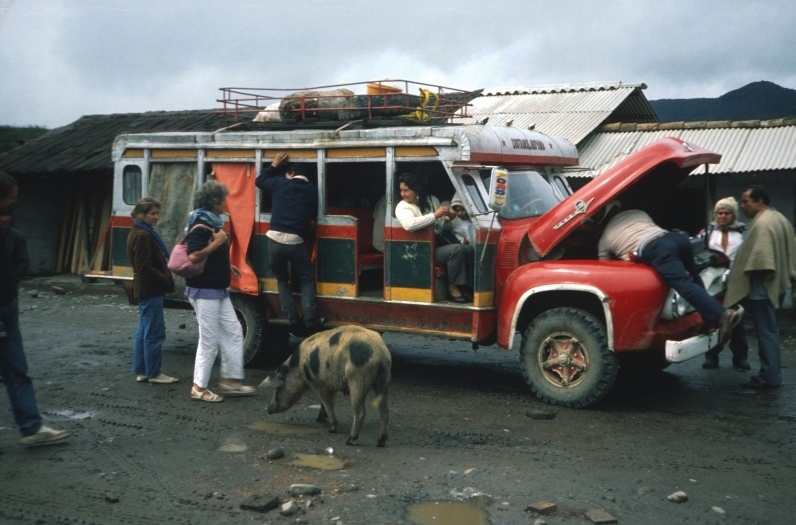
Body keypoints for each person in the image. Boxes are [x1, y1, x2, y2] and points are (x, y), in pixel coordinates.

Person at [598, 207, 738, 345]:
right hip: (675, 238)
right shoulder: (637, 212)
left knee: (685, 285)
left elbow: (606, 268)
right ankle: (709, 320)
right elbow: (650, 230)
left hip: (657, 249)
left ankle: (722, 314)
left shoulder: (604, 239)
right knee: (694, 279)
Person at [0, 171, 70, 446]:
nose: (16, 201)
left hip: (8, 307)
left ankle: (31, 427)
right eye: (12, 196)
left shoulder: (9, 232)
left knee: (17, 369)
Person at [185, 180, 256, 402]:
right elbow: (193, 255)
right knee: (209, 340)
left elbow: (209, 255)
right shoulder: (200, 225)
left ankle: (231, 380)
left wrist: (226, 265)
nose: (226, 203)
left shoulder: (212, 222)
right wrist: (218, 244)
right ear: (214, 202)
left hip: (217, 289)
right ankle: (199, 387)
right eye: (223, 199)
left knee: (234, 331)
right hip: (203, 290)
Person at [724, 185, 796, 390]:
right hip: (775, 286)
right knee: (769, 332)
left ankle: (770, 378)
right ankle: (769, 374)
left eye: (745, 201)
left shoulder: (763, 223)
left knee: (766, 333)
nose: (742, 205)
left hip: (763, 290)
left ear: (760, 201)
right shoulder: (778, 218)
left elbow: (761, 262)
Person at [255, 152, 324, 333]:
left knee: (282, 280)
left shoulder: (280, 183)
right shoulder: (312, 190)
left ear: (290, 173)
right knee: (307, 279)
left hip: (273, 239)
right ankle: (311, 320)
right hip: (295, 240)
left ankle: (292, 319)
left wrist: (274, 165)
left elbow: (260, 180)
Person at [394, 173, 473, 303]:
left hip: (437, 245)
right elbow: (409, 225)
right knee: (457, 250)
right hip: (419, 250)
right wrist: (434, 215)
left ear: (417, 190)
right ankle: (452, 286)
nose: (402, 194)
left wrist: (447, 220)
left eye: (406, 190)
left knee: (468, 249)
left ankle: (464, 286)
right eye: (401, 190)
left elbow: (440, 229)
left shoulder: (432, 200)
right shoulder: (403, 206)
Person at [127, 197, 179, 384]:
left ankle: (142, 370)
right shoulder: (142, 235)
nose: (156, 217)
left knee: (144, 330)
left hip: (146, 289)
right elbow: (144, 267)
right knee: (154, 333)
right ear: (141, 215)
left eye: (157, 213)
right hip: (150, 289)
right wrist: (164, 277)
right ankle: (154, 373)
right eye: (152, 214)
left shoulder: (141, 232)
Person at [698, 197, 750, 370]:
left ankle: (740, 358)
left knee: (737, 319)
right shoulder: (707, 232)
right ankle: (711, 357)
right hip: (713, 282)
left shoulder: (743, 233)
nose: (722, 216)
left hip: (736, 281)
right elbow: (699, 253)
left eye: (727, 213)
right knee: (713, 319)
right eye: (719, 213)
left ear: (733, 215)